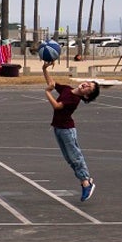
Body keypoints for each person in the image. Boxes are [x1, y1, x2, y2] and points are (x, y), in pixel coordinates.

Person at [43, 61, 100, 202]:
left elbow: (57, 106)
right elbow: (52, 83)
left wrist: (47, 92)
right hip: (58, 129)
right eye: (88, 83)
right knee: (69, 158)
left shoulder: (74, 99)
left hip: (67, 130)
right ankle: (84, 181)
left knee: (75, 156)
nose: (86, 85)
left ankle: (87, 181)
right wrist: (45, 68)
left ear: (86, 96)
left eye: (89, 88)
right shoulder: (67, 89)